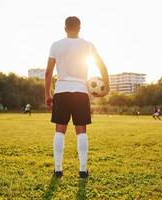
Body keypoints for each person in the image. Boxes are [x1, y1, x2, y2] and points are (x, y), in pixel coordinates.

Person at [45, 16, 109, 178]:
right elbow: (102, 66)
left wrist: (47, 94)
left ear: (65, 28)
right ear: (79, 28)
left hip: (61, 92)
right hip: (80, 92)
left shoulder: (56, 45)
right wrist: (106, 86)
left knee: (60, 130)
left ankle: (58, 169)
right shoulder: (88, 45)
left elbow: (48, 72)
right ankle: (82, 170)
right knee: (81, 131)